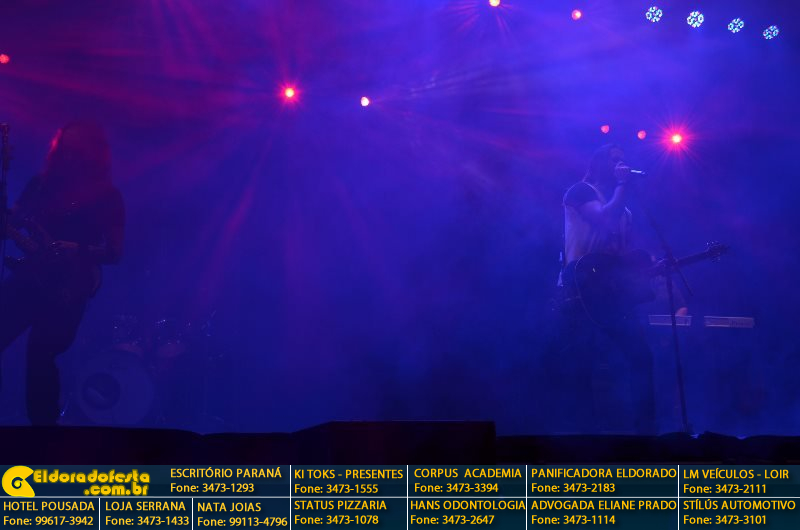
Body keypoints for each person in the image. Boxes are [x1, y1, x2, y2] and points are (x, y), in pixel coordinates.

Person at [0, 121, 125, 425]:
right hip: (31, 277)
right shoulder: (40, 185)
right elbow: (11, 221)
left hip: (68, 288)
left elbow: (114, 252)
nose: (69, 156)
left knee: (40, 357)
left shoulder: (108, 196)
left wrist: (75, 249)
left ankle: (44, 437)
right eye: (65, 148)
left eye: (76, 150)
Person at [555, 143, 656, 434]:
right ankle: (582, 434)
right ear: (600, 164)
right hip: (581, 289)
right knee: (581, 360)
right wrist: (623, 185)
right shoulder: (580, 191)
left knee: (640, 356)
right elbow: (603, 217)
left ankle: (645, 430)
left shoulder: (625, 210)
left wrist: (645, 266)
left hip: (612, 292)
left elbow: (618, 255)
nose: (621, 165)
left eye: (623, 161)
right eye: (615, 160)